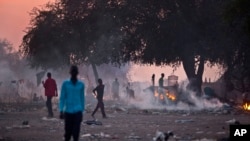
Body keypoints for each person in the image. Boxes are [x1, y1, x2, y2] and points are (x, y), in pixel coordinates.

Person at [59, 65, 85, 141]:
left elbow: (82, 98)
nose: (73, 73)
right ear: (70, 73)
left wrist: (82, 111)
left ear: (77, 73)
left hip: (78, 111)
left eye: (75, 72)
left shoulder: (81, 85)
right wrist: (61, 110)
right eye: (72, 71)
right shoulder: (65, 84)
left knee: (76, 134)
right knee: (68, 133)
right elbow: (62, 98)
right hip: (68, 111)